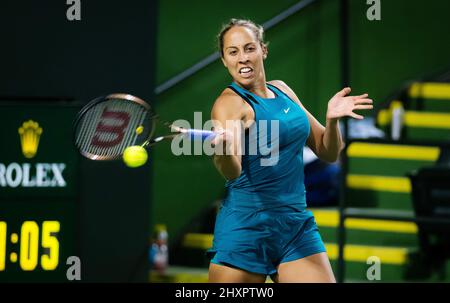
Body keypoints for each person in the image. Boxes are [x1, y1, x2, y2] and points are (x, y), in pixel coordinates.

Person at [207, 19, 373, 283]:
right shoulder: (229, 104)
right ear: (224, 59)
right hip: (247, 228)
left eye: (249, 48)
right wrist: (224, 150)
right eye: (233, 52)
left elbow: (328, 151)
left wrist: (332, 120)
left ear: (263, 50)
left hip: (295, 224)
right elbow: (232, 171)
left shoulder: (282, 90)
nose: (242, 59)